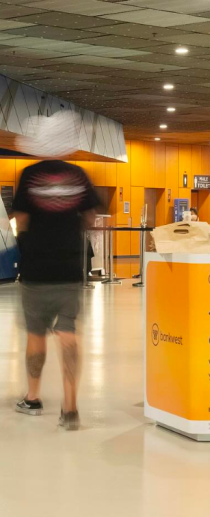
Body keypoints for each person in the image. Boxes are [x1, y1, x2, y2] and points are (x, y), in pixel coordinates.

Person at [12, 158, 100, 430]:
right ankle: (70, 408)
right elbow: (91, 215)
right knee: (68, 332)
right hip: (69, 268)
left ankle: (33, 398)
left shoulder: (30, 173)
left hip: (36, 269)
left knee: (36, 334)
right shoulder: (77, 174)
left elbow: (21, 218)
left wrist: (28, 244)